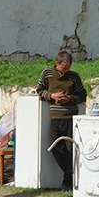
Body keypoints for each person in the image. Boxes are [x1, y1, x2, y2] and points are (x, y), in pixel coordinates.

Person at [36, 49, 87, 189]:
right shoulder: (47, 74)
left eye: (68, 68)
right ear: (56, 63)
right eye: (64, 68)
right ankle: (71, 172)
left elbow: (82, 95)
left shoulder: (74, 77)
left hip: (71, 116)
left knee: (71, 149)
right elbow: (40, 90)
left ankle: (68, 182)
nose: (66, 71)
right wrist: (52, 96)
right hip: (55, 116)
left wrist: (70, 98)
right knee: (54, 146)